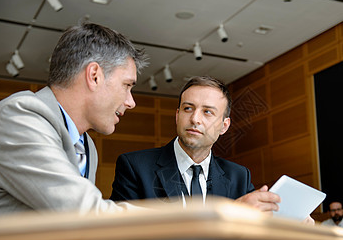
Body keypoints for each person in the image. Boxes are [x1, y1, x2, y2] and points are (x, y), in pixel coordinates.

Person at [0, 22, 148, 215]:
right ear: (94, 76)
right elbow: (83, 211)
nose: (131, 102)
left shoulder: (88, 147)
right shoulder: (17, 117)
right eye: (127, 85)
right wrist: (183, 221)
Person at [111, 76, 284, 214]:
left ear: (224, 126)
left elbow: (254, 232)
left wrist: (289, 220)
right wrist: (229, 213)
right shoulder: (134, 167)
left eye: (207, 112)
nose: (195, 119)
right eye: (188, 108)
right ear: (177, 116)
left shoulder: (239, 176)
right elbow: (123, 234)